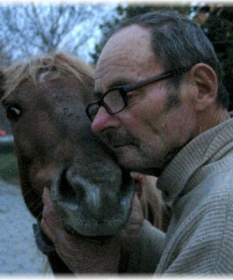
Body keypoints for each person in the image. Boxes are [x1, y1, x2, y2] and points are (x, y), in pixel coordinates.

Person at [40, 10, 233, 274]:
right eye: (100, 102)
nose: (97, 124)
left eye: (122, 95)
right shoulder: (208, 187)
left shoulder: (221, 217)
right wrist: (138, 236)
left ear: (200, 88)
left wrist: (98, 271)